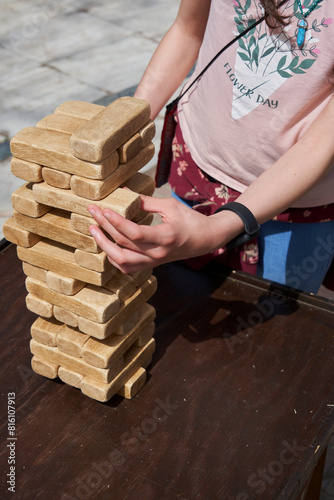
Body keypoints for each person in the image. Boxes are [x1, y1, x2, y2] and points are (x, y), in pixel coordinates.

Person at [87, 0, 334, 294]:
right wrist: (124, 128)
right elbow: (187, 30)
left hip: (295, 207)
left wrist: (217, 229)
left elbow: (319, 144)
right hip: (196, 164)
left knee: (270, 316)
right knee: (177, 292)